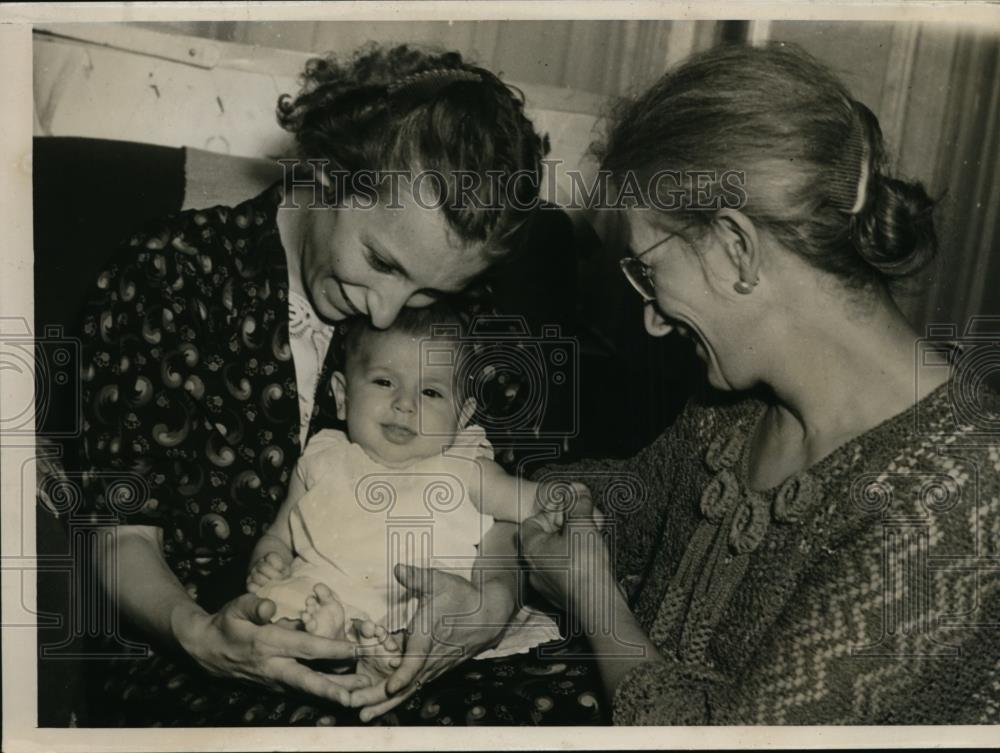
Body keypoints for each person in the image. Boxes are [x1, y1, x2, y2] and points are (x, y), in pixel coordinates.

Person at [77, 43, 557, 725]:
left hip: (406, 645)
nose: (388, 312)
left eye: (429, 289)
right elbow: (118, 534)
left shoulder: (461, 319)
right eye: (381, 262)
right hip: (199, 652)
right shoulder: (170, 275)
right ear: (327, 173)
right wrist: (200, 635)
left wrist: (492, 600)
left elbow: (493, 496)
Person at [520, 42, 1000, 724]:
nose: (652, 321)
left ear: (735, 247)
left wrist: (595, 600)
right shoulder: (736, 409)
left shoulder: (963, 490)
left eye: (648, 273)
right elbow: (620, 507)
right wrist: (490, 558)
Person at [245, 303, 565, 680]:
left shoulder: (464, 466)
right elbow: (279, 535)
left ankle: (368, 651)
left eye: (430, 392)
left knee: (432, 619)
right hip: (321, 593)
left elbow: (529, 502)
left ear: (461, 417)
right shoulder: (323, 456)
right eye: (384, 382)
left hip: (415, 603)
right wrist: (268, 560)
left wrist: (561, 503)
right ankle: (330, 645)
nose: (405, 404)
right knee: (273, 610)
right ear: (343, 396)